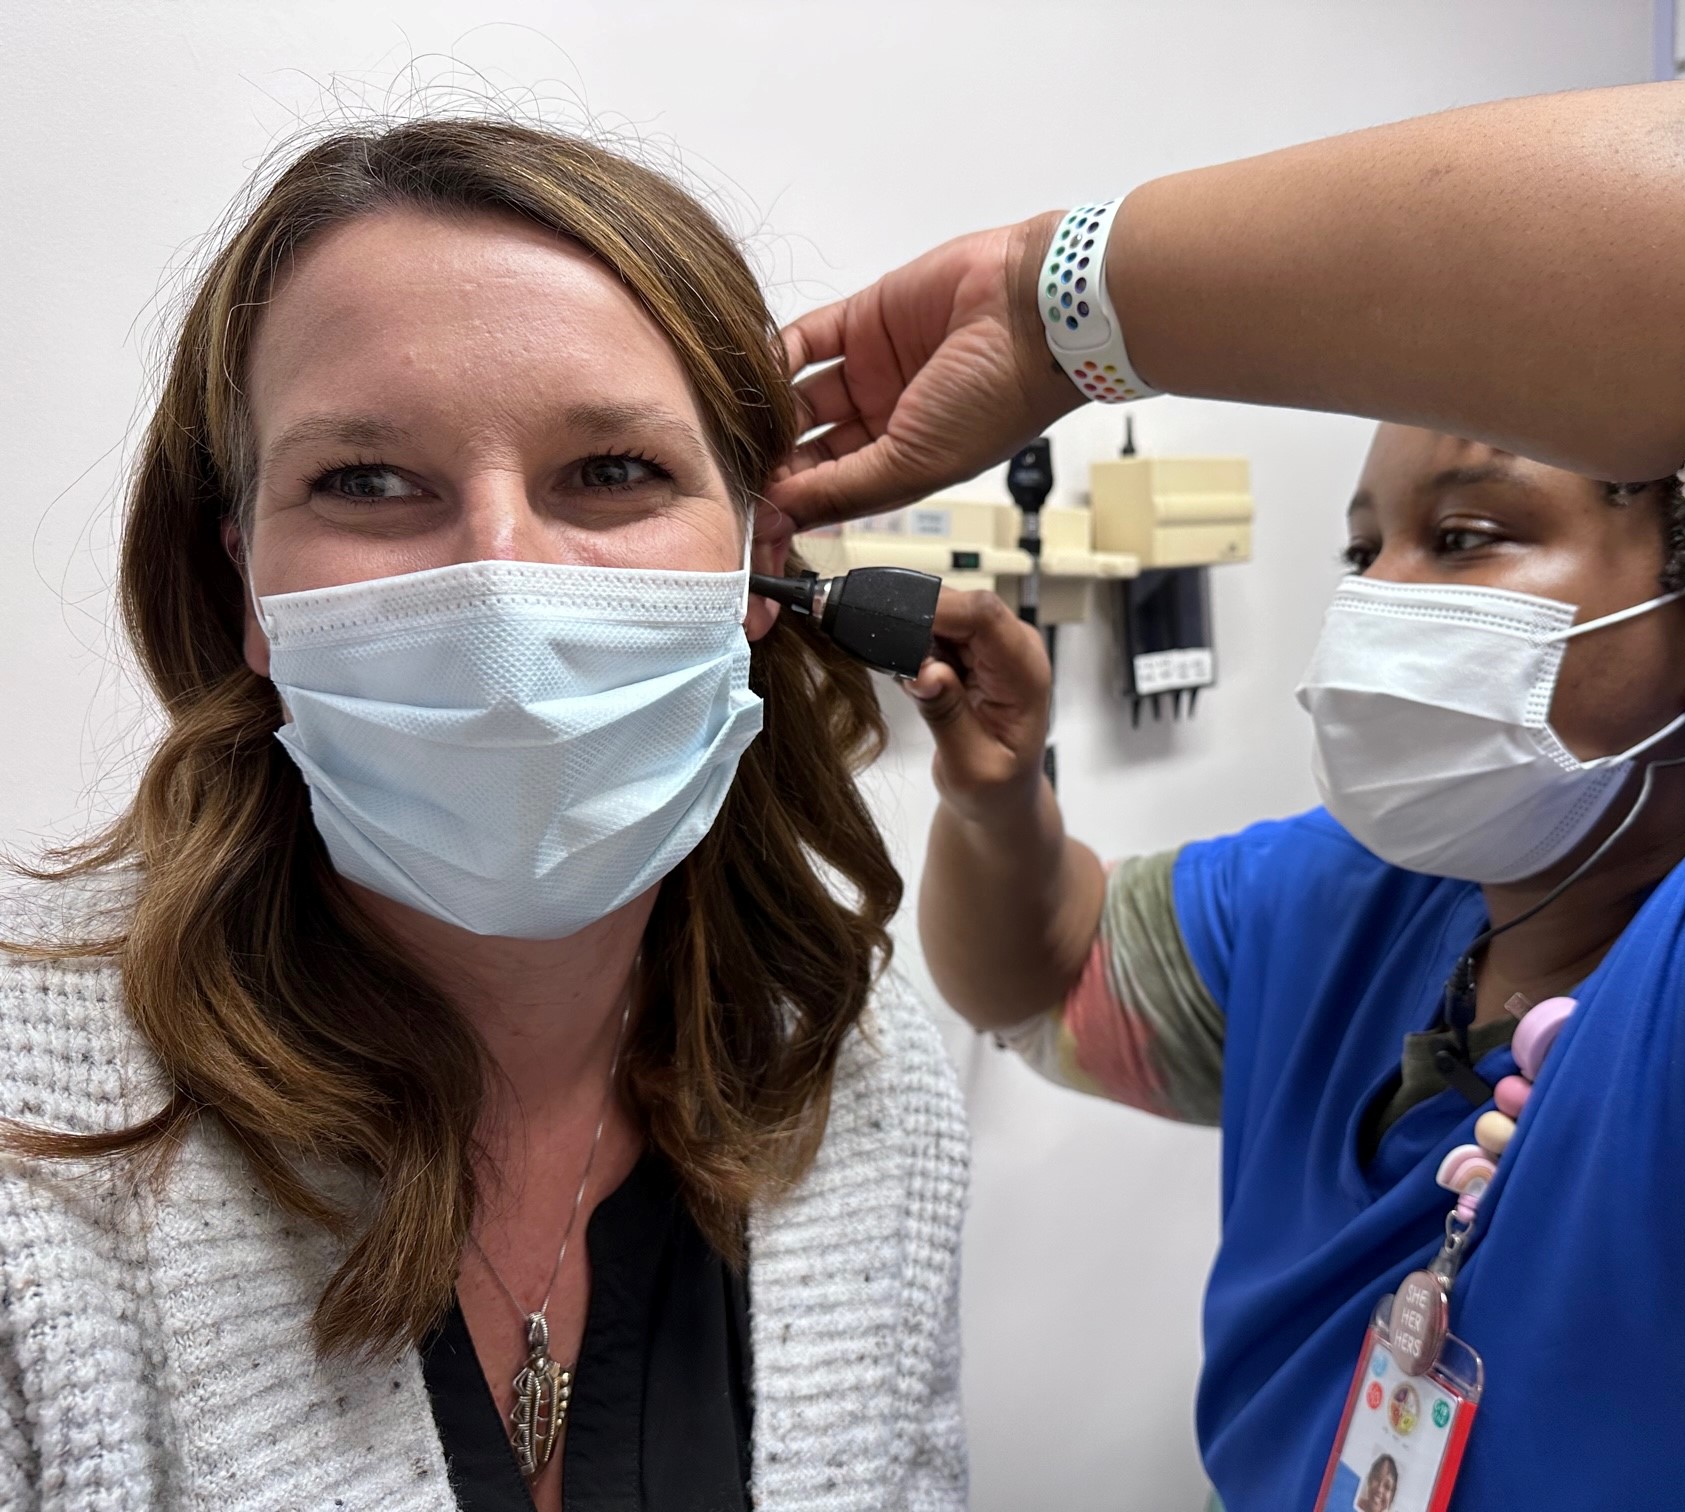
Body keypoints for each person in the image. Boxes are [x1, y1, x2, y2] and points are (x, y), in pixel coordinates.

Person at [770, 72, 1685, 1510]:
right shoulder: (1353, 901)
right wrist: (997, 803)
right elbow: (1044, 984)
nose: (1381, 600)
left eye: (1469, 536)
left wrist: (1056, 301)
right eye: (1365, 552)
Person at [0, 119, 967, 1512]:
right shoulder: (30, 1144)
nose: (501, 590)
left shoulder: (863, 1079)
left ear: (757, 563)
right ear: (247, 587)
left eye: (614, 471)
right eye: (367, 482)